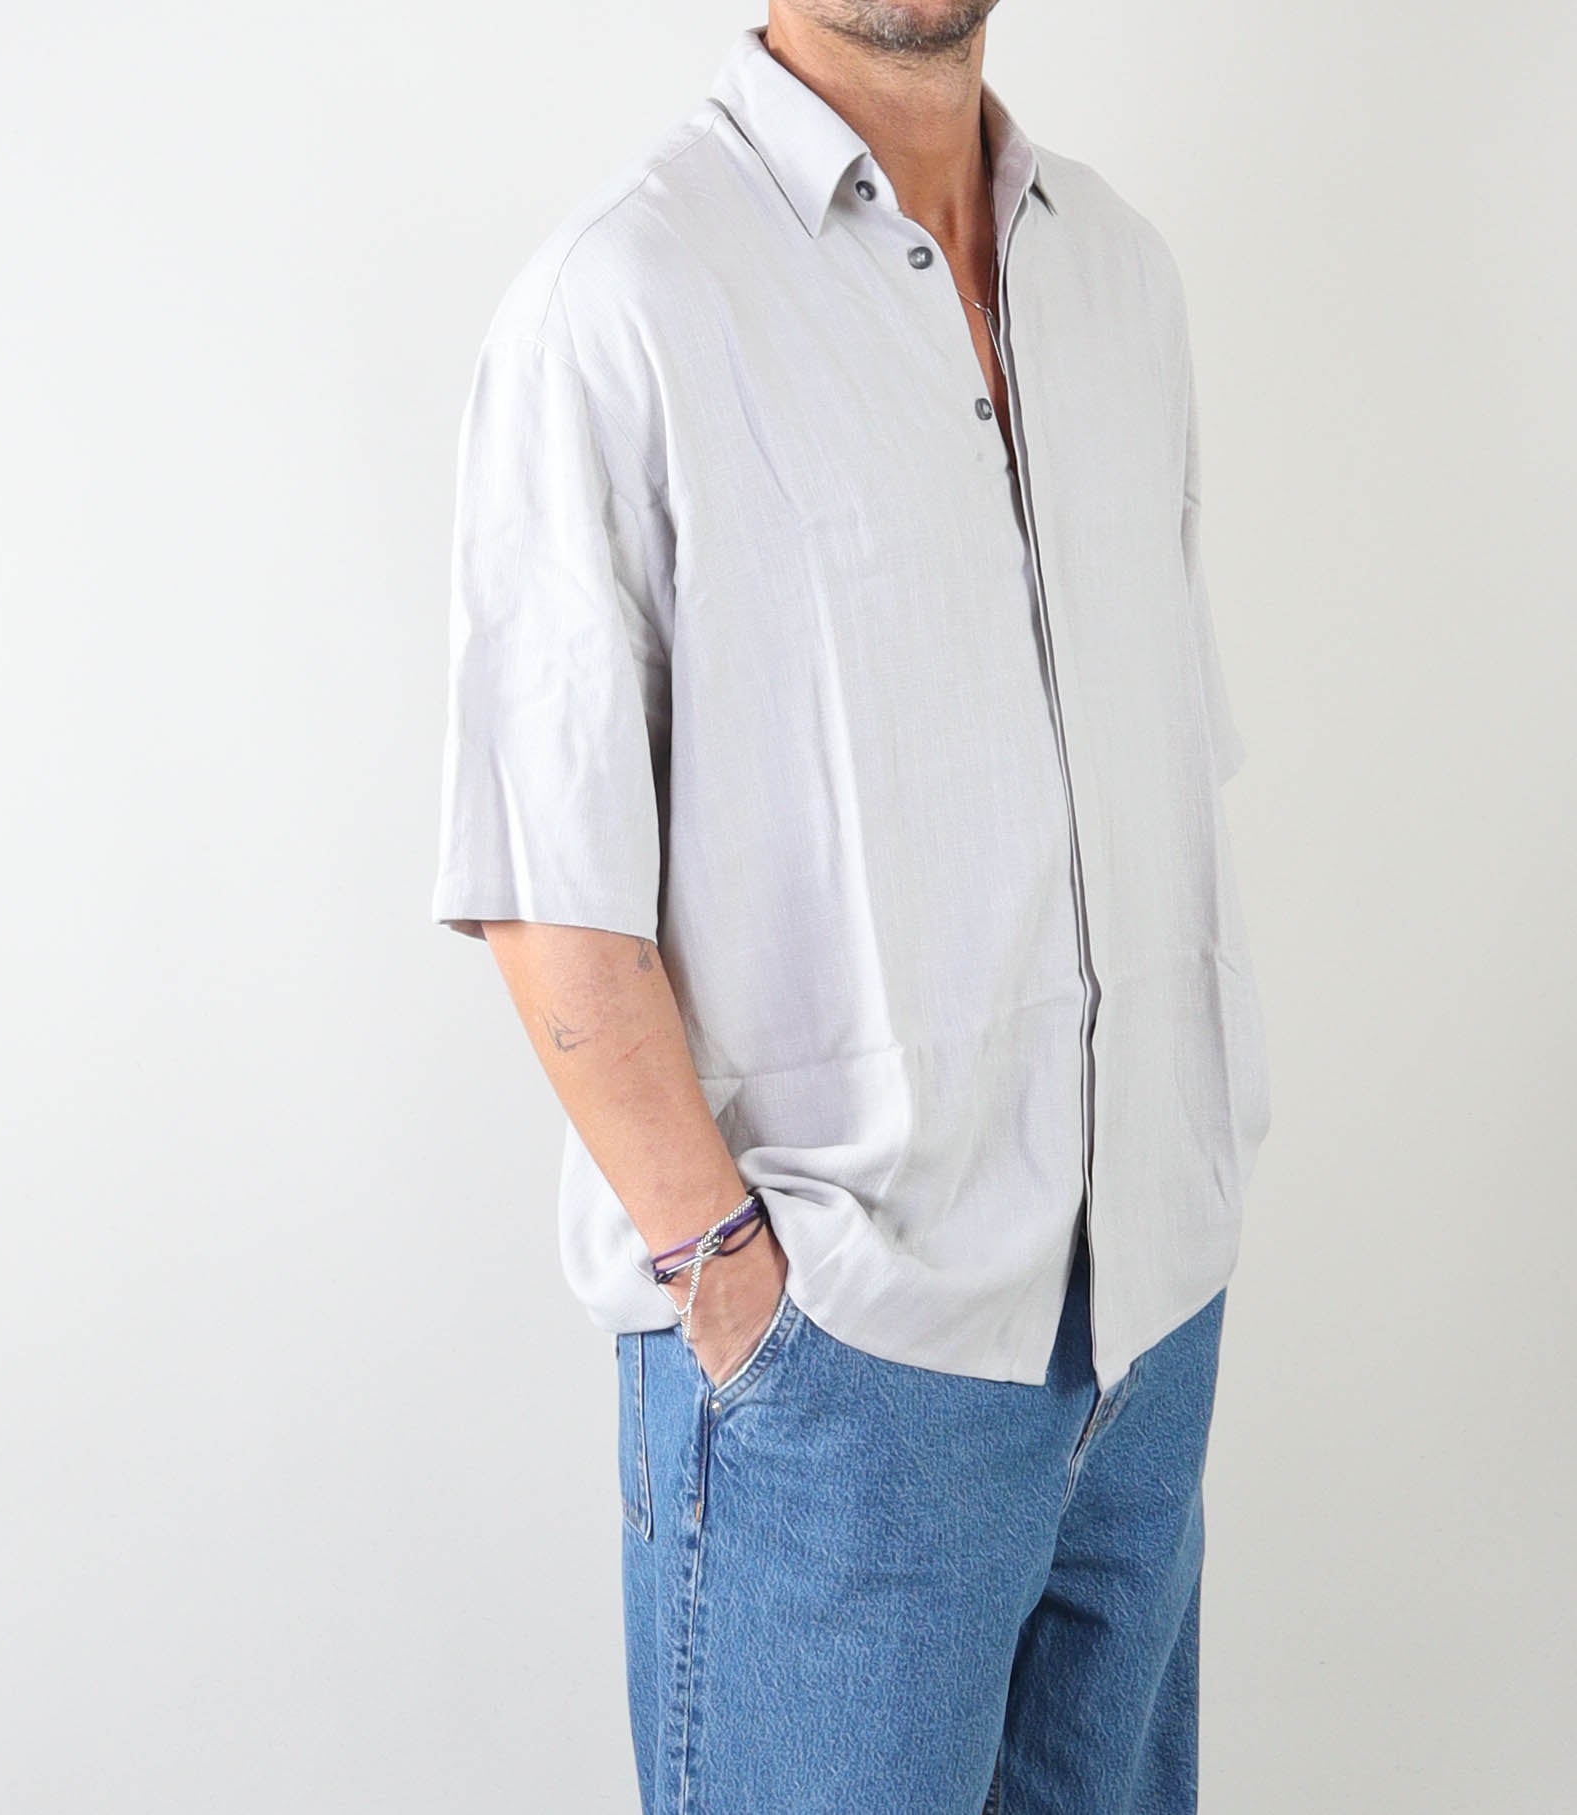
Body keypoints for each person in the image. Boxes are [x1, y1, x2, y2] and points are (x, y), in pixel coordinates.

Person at [429, 4, 1272, 1809]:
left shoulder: (1121, 277)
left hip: (1147, 1336)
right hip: (843, 1369)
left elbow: (1155, 779)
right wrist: (739, 1297)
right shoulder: (622, 297)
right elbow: (543, 880)